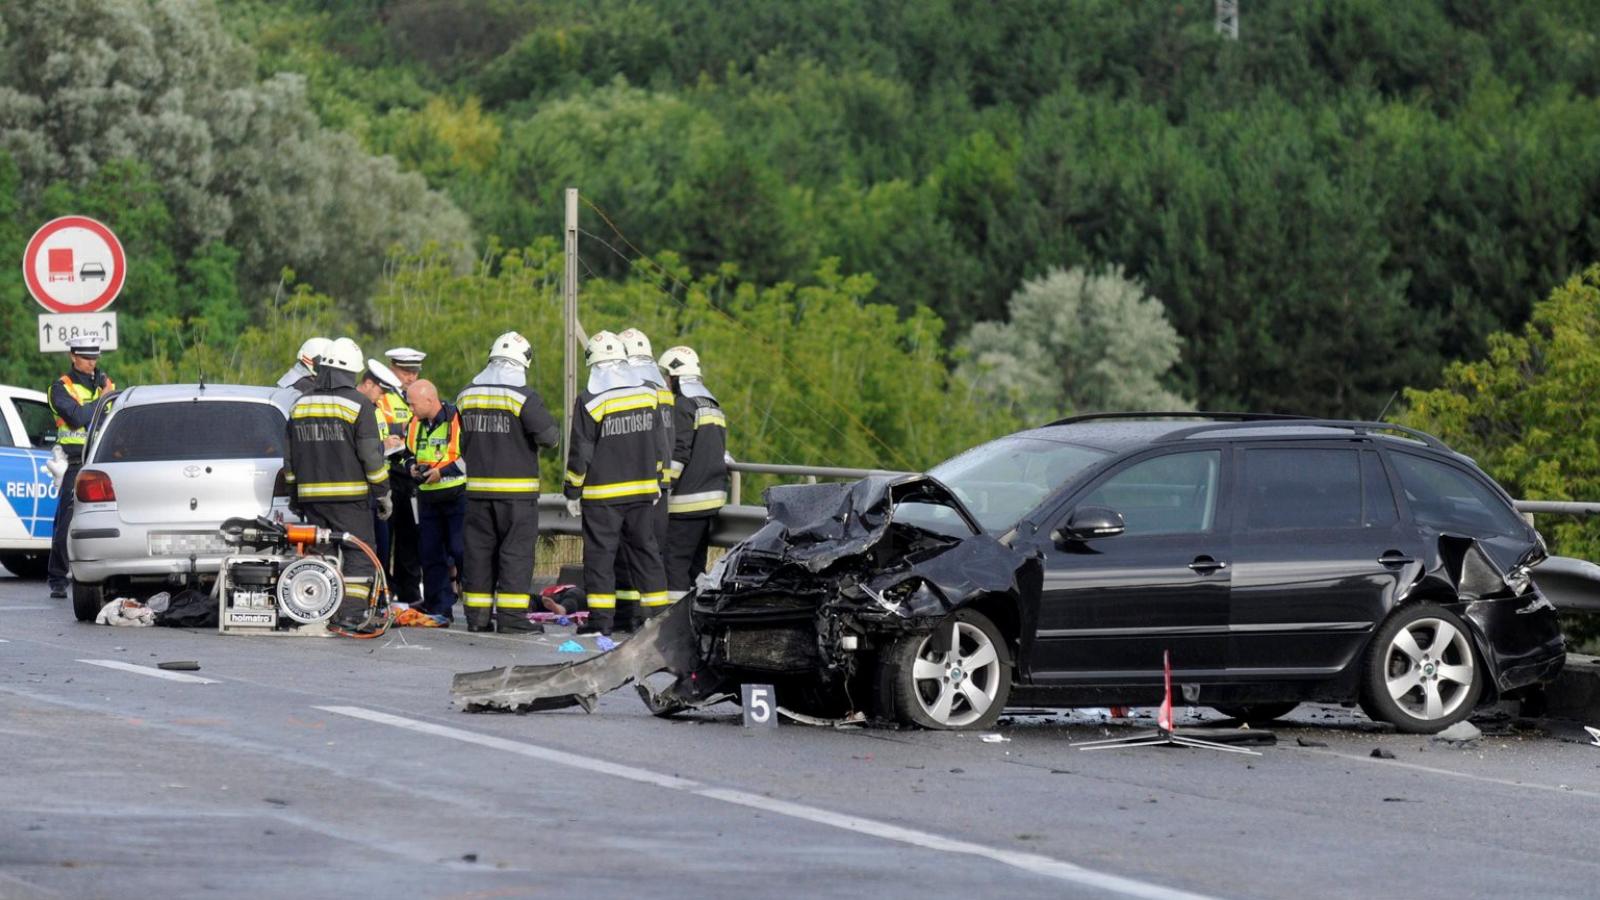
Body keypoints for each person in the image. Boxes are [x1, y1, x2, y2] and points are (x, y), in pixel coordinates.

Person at [565, 331, 670, 636]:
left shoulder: (590, 400)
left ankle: (601, 623)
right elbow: (659, 444)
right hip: (641, 492)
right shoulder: (647, 395)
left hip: (602, 496)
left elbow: (581, 450)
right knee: (646, 554)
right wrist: (657, 479)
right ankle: (660, 620)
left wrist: (572, 490)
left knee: (600, 558)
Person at [283, 337, 391, 629]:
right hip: (350, 499)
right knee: (359, 553)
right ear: (351, 371)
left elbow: (289, 460)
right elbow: (371, 456)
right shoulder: (358, 404)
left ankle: (322, 609)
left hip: (311, 500)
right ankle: (352, 613)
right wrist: (382, 493)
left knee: (322, 554)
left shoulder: (300, 404)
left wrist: (295, 495)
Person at [456, 332, 560, 633]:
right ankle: (513, 619)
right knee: (515, 554)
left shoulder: (466, 394)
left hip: (476, 491)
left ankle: (476, 618)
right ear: (522, 361)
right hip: (516, 493)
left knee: (478, 554)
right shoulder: (523, 396)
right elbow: (550, 438)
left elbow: (464, 439)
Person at [609, 327, 674, 631]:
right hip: (660, 482)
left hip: (632, 483)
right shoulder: (661, 384)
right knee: (649, 552)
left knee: (626, 555)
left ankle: (628, 615)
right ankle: (655, 618)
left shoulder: (630, 385)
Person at [46, 336, 115, 598]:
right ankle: (57, 578)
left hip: (101, 460)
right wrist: (103, 399)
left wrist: (105, 395)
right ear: (73, 356)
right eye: (86, 358)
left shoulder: (105, 384)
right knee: (66, 520)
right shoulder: (59, 388)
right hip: (75, 461)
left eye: (95, 358)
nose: (92, 363)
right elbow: (76, 418)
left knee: (105, 519)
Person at [659, 345, 729, 600]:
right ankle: (695, 613)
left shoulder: (683, 405)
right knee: (695, 566)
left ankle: (672, 624)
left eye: (666, 376)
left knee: (674, 563)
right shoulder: (712, 404)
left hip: (687, 501)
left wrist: (663, 484)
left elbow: (680, 451)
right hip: (712, 499)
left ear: (675, 377)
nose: (665, 382)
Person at [405, 379, 466, 624]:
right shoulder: (414, 424)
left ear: (430, 400)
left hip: (457, 496)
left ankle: (475, 606)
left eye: (413, 404)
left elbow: (470, 456)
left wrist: (443, 472)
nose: (410, 409)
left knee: (461, 552)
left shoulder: (457, 420)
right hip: (427, 498)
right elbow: (407, 453)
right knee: (430, 554)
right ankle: (439, 608)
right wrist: (411, 468)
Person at [373, 357, 423, 607]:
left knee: (410, 537)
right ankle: (383, 590)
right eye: (406, 371)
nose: (410, 377)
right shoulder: (381, 397)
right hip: (387, 473)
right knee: (384, 538)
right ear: (392, 368)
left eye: (414, 372)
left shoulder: (417, 395)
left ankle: (410, 592)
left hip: (410, 475)